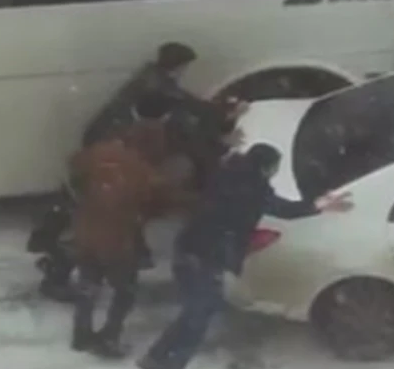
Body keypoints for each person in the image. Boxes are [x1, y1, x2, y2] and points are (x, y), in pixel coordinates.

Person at [27, 42, 245, 301]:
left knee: (94, 224)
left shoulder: (151, 86)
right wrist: (223, 128)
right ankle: (61, 270)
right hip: (109, 176)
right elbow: (186, 117)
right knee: (105, 235)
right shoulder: (154, 103)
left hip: (100, 167)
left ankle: (54, 250)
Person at [138, 143, 353, 369]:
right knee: (198, 318)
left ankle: (156, 356)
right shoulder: (252, 189)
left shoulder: (228, 175)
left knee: (193, 312)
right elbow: (285, 210)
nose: (274, 172)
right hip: (207, 257)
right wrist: (320, 205)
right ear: (264, 167)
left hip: (189, 249)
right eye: (274, 167)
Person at [70, 109, 197, 359]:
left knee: (89, 285)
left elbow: (74, 171)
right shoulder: (142, 170)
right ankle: (110, 336)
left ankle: (81, 334)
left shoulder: (95, 153)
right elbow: (160, 200)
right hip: (118, 241)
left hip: (85, 232)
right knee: (124, 292)